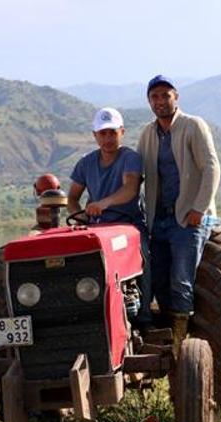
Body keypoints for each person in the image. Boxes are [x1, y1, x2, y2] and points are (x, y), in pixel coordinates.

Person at [137, 75, 221, 350]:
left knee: (180, 280)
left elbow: (211, 168)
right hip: (159, 220)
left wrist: (198, 208)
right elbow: (136, 173)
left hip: (188, 217)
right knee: (158, 279)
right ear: (149, 101)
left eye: (165, 95)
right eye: (155, 97)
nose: (160, 101)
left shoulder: (192, 126)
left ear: (176, 97)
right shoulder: (148, 134)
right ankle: (163, 336)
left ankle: (180, 345)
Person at [67, 107, 151, 327]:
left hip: (128, 225)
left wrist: (103, 203)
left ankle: (144, 316)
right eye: (103, 133)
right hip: (97, 228)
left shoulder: (130, 158)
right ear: (94, 135)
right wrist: (80, 218)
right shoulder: (85, 163)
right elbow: (72, 198)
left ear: (122, 132)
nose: (108, 138)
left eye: (112, 132)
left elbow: (130, 189)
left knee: (144, 258)